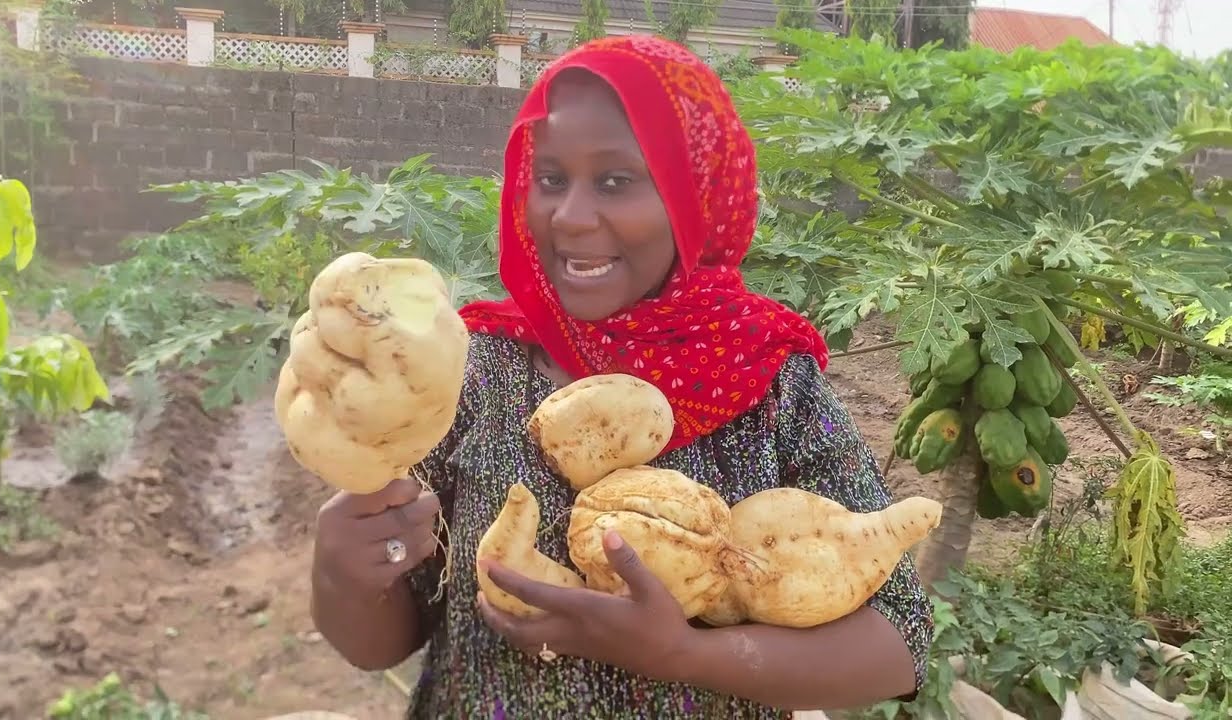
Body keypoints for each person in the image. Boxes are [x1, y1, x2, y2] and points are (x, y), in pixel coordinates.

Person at [308, 34, 933, 719]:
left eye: (614, 181)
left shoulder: (768, 382)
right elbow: (385, 642)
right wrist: (345, 573)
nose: (570, 217)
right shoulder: (474, 371)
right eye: (550, 179)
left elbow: (898, 646)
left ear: (695, 194)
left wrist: (681, 656)